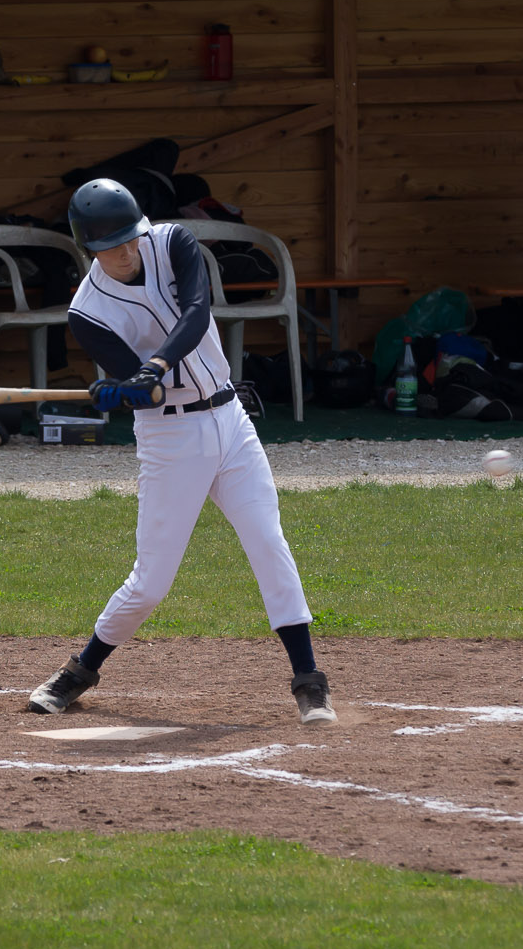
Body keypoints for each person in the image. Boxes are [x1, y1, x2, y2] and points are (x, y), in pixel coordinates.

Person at [26, 178, 333, 726]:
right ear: (89, 250)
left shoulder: (172, 243)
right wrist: (122, 388)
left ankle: (310, 682)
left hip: (231, 421)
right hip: (170, 439)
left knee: (269, 543)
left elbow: (196, 312)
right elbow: (151, 393)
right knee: (152, 581)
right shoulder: (88, 312)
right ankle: (79, 671)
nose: (127, 250)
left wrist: (153, 366)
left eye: (130, 238)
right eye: (112, 245)